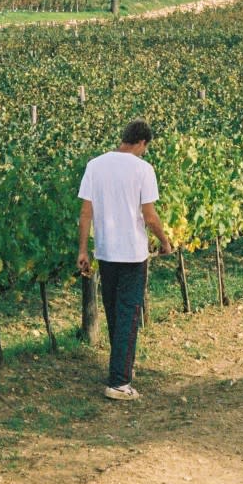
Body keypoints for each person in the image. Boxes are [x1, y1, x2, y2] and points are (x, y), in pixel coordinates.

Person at [77, 119, 172, 401]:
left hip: (105, 252)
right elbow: (149, 215)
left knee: (115, 312)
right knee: (129, 314)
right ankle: (119, 382)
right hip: (132, 253)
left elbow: (85, 212)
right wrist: (164, 242)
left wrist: (83, 250)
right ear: (142, 143)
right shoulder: (143, 169)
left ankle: (119, 368)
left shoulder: (95, 165)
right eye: (146, 148)